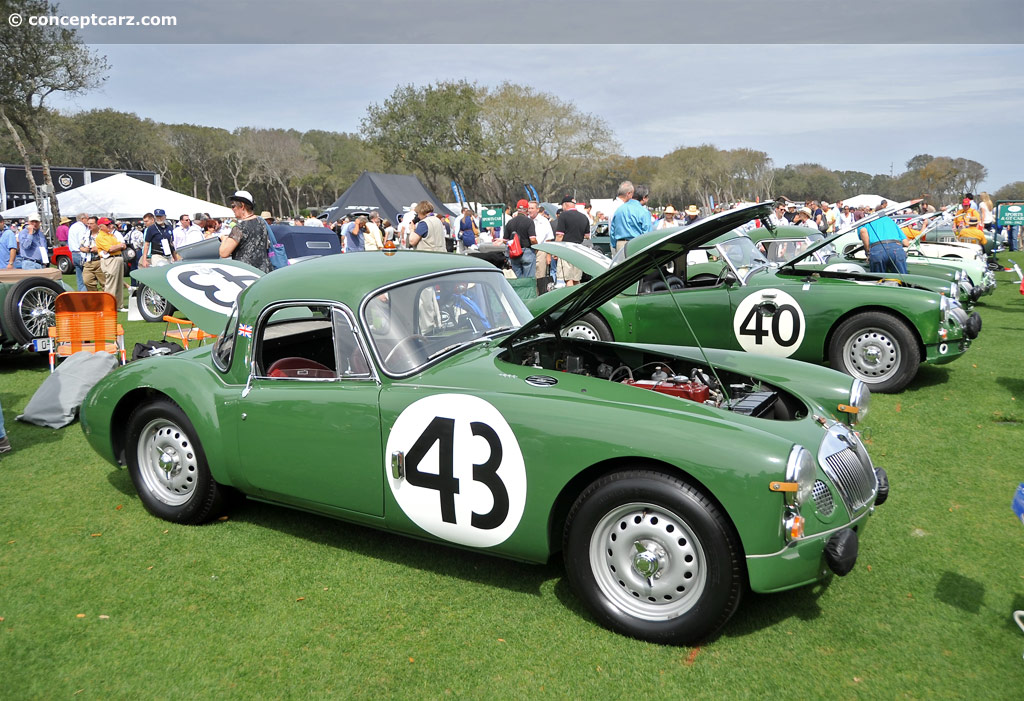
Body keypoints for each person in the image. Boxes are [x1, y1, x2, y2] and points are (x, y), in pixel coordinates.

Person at [220, 190, 273, 272]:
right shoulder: (262, 222)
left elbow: (223, 253)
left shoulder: (239, 228)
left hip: (246, 273)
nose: (232, 209)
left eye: (233, 206)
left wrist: (224, 239)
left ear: (242, 206)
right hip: (264, 271)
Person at [554, 196, 591, 286]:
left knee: (568, 279)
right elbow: (587, 236)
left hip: (566, 249)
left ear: (565, 205)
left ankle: (570, 299)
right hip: (578, 249)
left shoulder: (563, 216)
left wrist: (555, 251)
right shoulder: (584, 217)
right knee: (576, 279)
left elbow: (559, 235)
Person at [609, 185, 653, 252]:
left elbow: (612, 230)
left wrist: (614, 245)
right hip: (636, 245)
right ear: (644, 197)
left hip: (620, 244)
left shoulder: (619, 209)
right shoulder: (644, 212)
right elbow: (647, 234)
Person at [95, 217, 127, 309]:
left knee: (119, 283)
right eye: (107, 225)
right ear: (101, 226)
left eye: (110, 224)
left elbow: (123, 245)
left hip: (117, 258)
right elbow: (110, 249)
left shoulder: (111, 235)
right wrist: (118, 246)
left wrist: (118, 246)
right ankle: (109, 306)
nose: (110, 226)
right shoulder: (100, 237)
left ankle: (119, 305)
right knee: (111, 285)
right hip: (109, 260)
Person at [501, 199, 536, 278]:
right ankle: (527, 291)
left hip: (514, 253)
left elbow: (505, 240)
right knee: (529, 280)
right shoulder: (529, 222)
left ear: (517, 209)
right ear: (527, 209)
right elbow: (533, 239)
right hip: (527, 251)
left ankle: (519, 291)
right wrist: (536, 247)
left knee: (518, 279)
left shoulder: (510, 222)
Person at [81, 216, 106, 292]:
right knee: (87, 281)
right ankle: (96, 300)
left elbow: (109, 246)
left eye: (91, 223)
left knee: (105, 284)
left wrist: (98, 249)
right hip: (88, 262)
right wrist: (84, 249)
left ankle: (107, 301)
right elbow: (81, 246)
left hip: (100, 261)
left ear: (97, 224)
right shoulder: (86, 234)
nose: (89, 225)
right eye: (88, 223)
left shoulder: (103, 234)